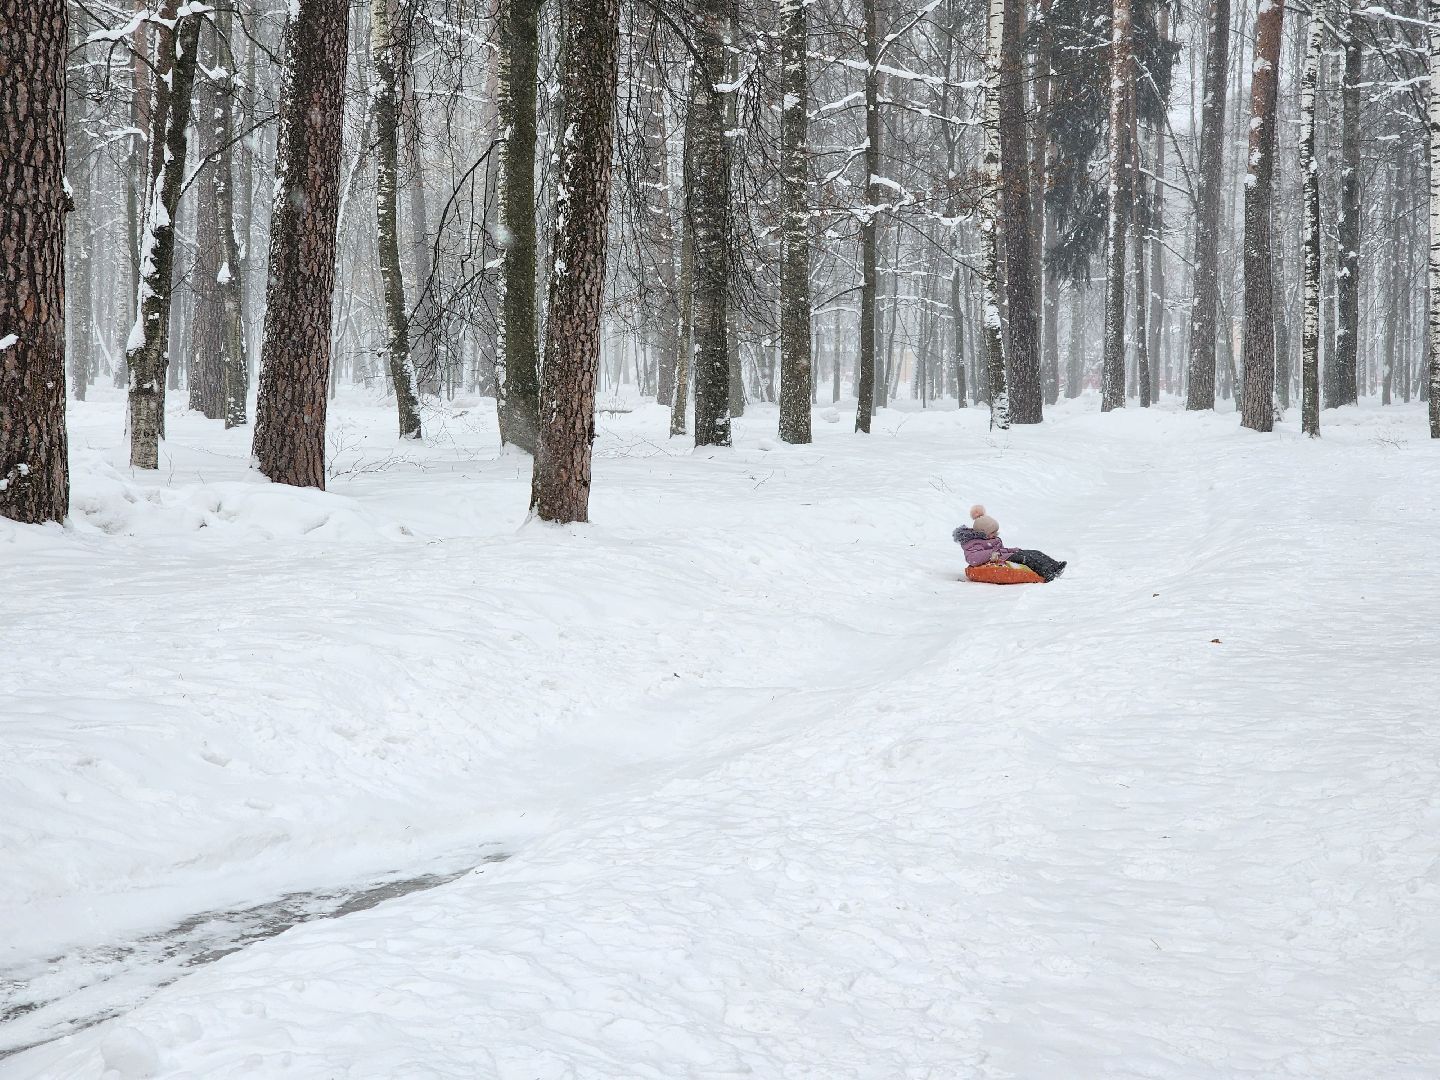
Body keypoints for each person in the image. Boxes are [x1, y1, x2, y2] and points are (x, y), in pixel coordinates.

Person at [953, 504, 1066, 582]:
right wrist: (992, 554)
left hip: (1004, 556)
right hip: (999, 560)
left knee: (1033, 552)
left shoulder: (991, 539)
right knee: (1027, 559)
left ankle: (1055, 566)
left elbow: (1000, 549)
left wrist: (1013, 550)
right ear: (983, 532)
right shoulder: (973, 542)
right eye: (993, 532)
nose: (995, 534)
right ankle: (1047, 573)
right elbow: (973, 558)